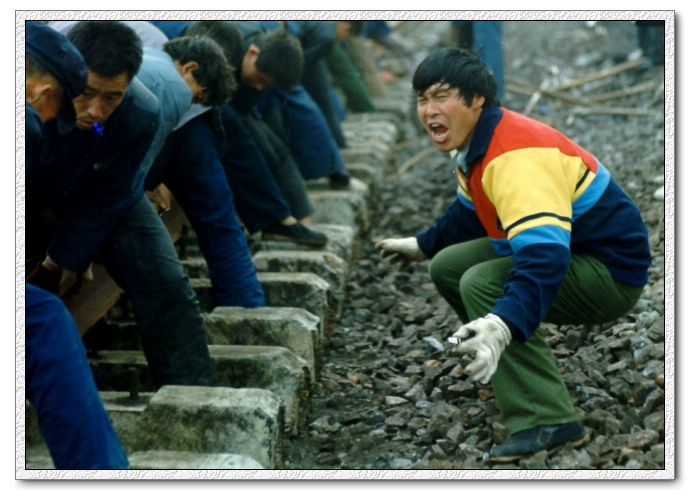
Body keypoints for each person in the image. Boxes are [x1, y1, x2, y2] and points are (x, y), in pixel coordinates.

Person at [376, 48, 651, 461]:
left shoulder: (513, 156)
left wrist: (503, 324)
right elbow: (469, 212)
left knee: (481, 283)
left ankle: (546, 418)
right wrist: (424, 245)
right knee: (448, 265)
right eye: (422, 99)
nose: (429, 110)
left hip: (609, 272)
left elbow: (545, 258)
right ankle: (508, 365)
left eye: (441, 97)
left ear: (476, 99)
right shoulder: (477, 142)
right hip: (572, 249)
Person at [29, 21, 213, 388]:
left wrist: (58, 262)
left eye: (111, 97)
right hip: (34, 183)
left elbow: (107, 198)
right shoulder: (32, 95)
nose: (96, 110)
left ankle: (188, 391)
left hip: (99, 186)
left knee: (165, 282)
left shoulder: (140, 113)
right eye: (86, 93)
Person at [25, 21, 128, 469]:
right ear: (42, 91)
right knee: (42, 321)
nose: (53, 124)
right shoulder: (25, 120)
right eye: (58, 112)